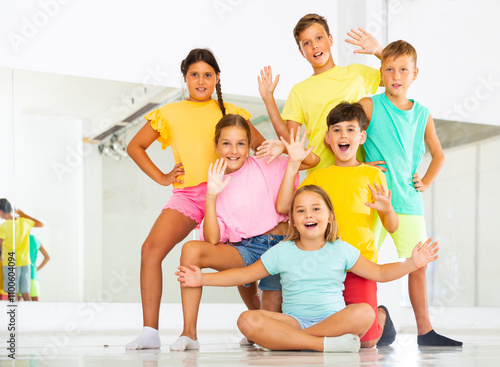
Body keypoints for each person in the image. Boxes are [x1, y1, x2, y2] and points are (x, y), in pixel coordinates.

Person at [177, 185, 439, 353]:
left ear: (329, 216)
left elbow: (380, 273)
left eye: (315, 209)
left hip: (333, 320)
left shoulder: (341, 249)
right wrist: (202, 279)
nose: (308, 215)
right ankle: (320, 344)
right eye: (300, 211)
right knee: (247, 320)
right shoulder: (282, 250)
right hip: (294, 320)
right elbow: (245, 275)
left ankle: (289, 340)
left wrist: (412, 264)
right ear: (293, 220)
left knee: (363, 313)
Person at [125, 49, 265, 350]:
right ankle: (151, 331)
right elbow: (135, 146)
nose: (201, 80)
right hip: (189, 196)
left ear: (217, 78)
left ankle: (261, 325)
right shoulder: (170, 113)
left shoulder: (233, 112)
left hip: (229, 194)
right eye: (194, 74)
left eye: (207, 74)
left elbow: (264, 150)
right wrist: (163, 176)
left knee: (241, 270)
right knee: (150, 249)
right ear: (185, 77)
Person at [170, 114, 319, 351]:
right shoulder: (215, 179)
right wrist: (211, 195)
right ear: (216, 146)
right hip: (248, 249)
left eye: (241, 143)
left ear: (250, 146)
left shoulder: (266, 164)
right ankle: (189, 334)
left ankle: (256, 323)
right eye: (226, 143)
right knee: (191, 249)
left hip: (281, 245)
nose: (234, 150)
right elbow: (212, 239)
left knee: (271, 322)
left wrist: (283, 147)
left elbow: (312, 160)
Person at [358, 40, 461, 347]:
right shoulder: (369, 105)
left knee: (418, 264)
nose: (396, 75)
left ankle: (425, 331)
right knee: (361, 264)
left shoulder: (423, 114)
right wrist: (362, 163)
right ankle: (368, 324)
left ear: (415, 74)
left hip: (408, 201)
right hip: (372, 198)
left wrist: (426, 182)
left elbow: (438, 154)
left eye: (403, 70)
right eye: (389, 69)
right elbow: (345, 132)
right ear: (381, 73)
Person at [275, 102, 399, 347]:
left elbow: (392, 227)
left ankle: (381, 316)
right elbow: (283, 208)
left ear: (362, 137)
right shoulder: (317, 177)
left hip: (359, 265)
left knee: (367, 343)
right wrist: (292, 165)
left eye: (351, 130)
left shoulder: (373, 176)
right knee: (330, 327)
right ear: (328, 138)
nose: (344, 135)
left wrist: (388, 210)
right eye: (337, 130)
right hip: (323, 268)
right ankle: (312, 338)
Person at [257, 13, 384, 172]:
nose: (315, 46)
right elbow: (291, 141)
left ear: (330, 40)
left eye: (319, 38)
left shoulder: (356, 74)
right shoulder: (299, 91)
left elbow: (396, 78)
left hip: (359, 174)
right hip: (321, 177)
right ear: (302, 52)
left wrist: (379, 51)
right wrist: (268, 99)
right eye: (307, 43)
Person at [0, 198, 44, 301]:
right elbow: (40, 224)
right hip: (25, 262)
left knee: (12, 293)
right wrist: (24, 214)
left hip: (11, 261)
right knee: (25, 293)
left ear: (1, 212)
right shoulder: (24, 222)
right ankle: (30, 315)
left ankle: (12, 316)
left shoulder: (4, 226)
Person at [27, 234, 50, 301]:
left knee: (18, 301)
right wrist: (36, 269)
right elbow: (47, 257)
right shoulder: (37, 241)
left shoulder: (20, 239)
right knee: (35, 300)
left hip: (20, 273)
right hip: (33, 274)